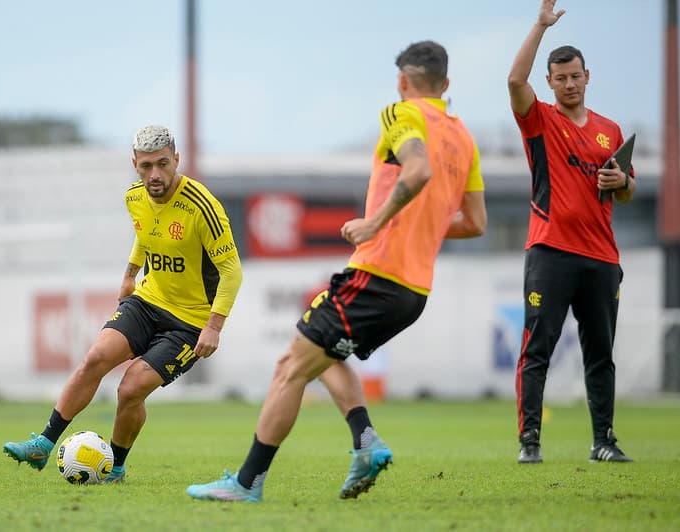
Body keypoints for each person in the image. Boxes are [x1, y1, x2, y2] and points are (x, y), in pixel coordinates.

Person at [186, 40, 487, 502]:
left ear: (402, 81)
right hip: (414, 293)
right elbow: (476, 223)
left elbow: (417, 171)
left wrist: (375, 223)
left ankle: (246, 484)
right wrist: (418, 225)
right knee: (321, 355)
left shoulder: (401, 113)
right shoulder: (464, 138)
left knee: (290, 367)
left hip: (377, 273)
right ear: (446, 84)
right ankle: (365, 442)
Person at [3, 125, 243, 482]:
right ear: (135, 165)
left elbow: (231, 270)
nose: (154, 174)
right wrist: (130, 273)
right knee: (95, 358)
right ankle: (43, 442)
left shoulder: (202, 207)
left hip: (190, 323)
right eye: (146, 166)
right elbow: (146, 234)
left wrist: (214, 326)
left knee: (130, 389)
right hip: (148, 300)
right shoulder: (134, 197)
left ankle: (114, 468)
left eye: (162, 164)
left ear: (177, 159)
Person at [508, 0, 636, 464]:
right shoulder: (540, 119)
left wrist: (621, 181)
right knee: (537, 349)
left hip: (602, 258)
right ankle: (530, 443)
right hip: (550, 252)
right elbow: (514, 81)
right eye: (560, 78)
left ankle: (604, 441)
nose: (569, 84)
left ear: (587, 77)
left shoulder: (610, 130)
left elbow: (627, 192)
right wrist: (539, 26)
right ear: (549, 82)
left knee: (600, 355)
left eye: (575, 76)